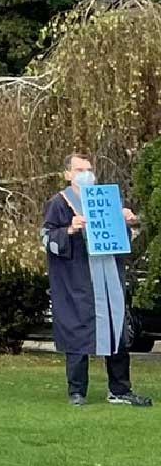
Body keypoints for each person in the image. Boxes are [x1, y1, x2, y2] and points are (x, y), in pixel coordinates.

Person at [43, 155, 151, 406]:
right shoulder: (59, 203)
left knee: (117, 332)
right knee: (79, 332)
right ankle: (77, 391)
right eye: (79, 169)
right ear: (68, 174)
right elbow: (47, 238)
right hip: (78, 281)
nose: (85, 174)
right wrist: (69, 229)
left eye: (89, 169)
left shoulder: (107, 200)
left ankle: (120, 389)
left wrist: (129, 222)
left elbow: (124, 240)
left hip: (109, 277)